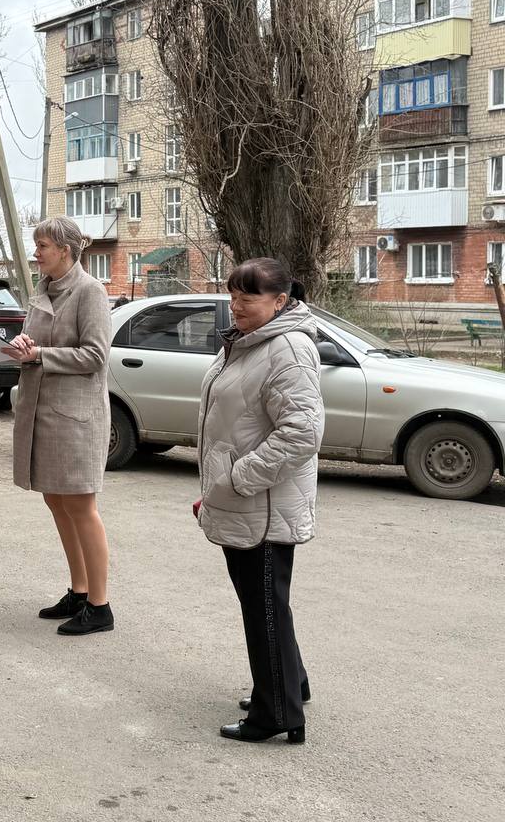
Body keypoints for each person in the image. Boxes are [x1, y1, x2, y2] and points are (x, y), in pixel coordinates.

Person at [197, 258, 321, 745]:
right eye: (233, 295)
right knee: (267, 602)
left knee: (263, 607)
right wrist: (216, 489)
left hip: (262, 503)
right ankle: (290, 686)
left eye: (248, 297)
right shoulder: (249, 342)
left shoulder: (287, 349)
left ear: (280, 301)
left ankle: (277, 714)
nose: (236, 305)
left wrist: (238, 479)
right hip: (241, 498)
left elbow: (301, 433)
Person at [5, 217, 114, 635]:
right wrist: (23, 345)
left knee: (81, 506)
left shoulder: (90, 291)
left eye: (43, 246)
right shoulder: (43, 289)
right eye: (36, 245)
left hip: (75, 416)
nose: (36, 253)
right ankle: (80, 590)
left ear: (65, 250)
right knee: (55, 500)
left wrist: (40, 355)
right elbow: (36, 341)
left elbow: (95, 355)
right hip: (42, 411)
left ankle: (100, 606)